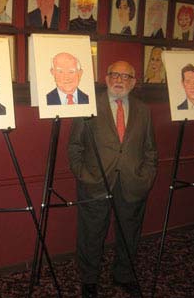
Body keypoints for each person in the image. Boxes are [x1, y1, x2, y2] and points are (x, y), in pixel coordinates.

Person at [68, 61, 158, 297]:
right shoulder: (88, 105)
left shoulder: (143, 110)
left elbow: (150, 149)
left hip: (132, 183)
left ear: (134, 82)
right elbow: (75, 146)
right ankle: (89, 280)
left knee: (129, 233)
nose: (119, 80)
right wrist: (83, 175)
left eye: (126, 76)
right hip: (95, 182)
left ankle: (124, 275)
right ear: (106, 78)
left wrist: (146, 177)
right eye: (114, 75)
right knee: (91, 234)